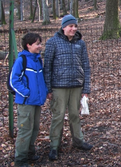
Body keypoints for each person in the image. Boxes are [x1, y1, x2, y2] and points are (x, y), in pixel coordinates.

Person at [44, 14, 92, 161]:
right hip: (59, 87)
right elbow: (47, 67)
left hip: (77, 86)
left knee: (75, 116)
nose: (73, 29)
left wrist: (86, 89)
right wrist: (48, 89)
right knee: (58, 116)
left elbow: (86, 65)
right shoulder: (53, 42)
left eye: (75, 26)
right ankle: (54, 146)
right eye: (71, 26)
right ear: (63, 27)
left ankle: (78, 141)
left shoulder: (80, 43)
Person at [10, 33, 48, 167]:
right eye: (37, 44)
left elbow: (39, 79)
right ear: (29, 45)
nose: (40, 46)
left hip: (37, 101)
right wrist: (26, 93)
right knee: (25, 130)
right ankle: (20, 159)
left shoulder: (37, 60)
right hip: (26, 102)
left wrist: (44, 92)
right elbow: (14, 80)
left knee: (34, 129)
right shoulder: (22, 60)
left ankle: (30, 152)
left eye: (40, 43)